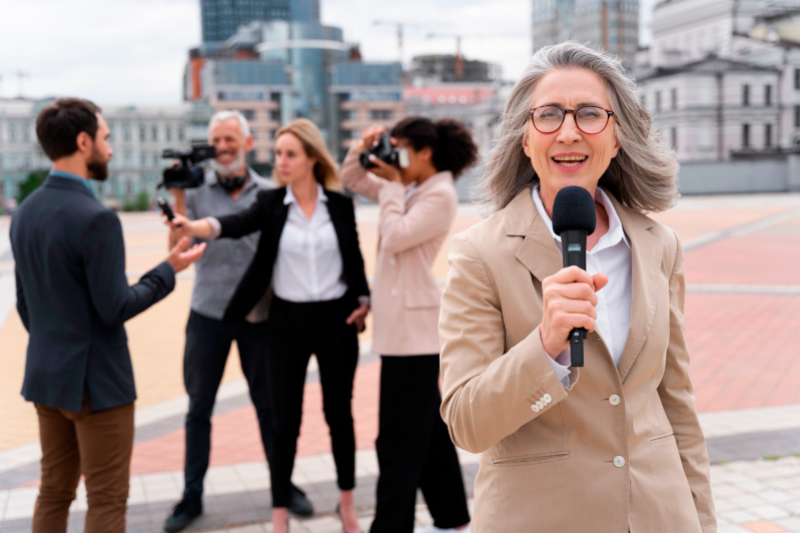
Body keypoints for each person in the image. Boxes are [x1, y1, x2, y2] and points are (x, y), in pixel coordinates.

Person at [438, 41, 716, 533]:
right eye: (548, 115)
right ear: (525, 138)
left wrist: (702, 521)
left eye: (590, 114)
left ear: (617, 136)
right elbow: (466, 422)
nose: (568, 132)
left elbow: (676, 403)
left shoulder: (659, 245)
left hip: (658, 516)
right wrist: (544, 346)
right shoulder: (479, 254)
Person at [10, 98, 205, 533]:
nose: (111, 149)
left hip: (47, 378)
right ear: (83, 142)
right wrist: (168, 269)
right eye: (106, 138)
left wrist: (59, 341)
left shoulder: (23, 213)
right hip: (98, 386)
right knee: (107, 501)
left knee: (54, 492)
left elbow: (26, 304)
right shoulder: (96, 219)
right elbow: (115, 307)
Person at [168, 118, 370, 533]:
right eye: (278, 154)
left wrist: (363, 300)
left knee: (316, 414)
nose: (282, 161)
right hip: (250, 318)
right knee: (246, 414)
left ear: (312, 158)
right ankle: (240, 506)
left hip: (306, 321)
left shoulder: (320, 201)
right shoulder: (248, 199)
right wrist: (187, 220)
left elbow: (355, 259)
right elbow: (222, 227)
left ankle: (330, 501)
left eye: (290, 154)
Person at [162, 111, 313, 532]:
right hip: (208, 313)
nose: (223, 148)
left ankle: (284, 486)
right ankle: (191, 495)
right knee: (199, 408)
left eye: (230, 139)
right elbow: (178, 246)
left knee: (270, 407)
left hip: (258, 317)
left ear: (247, 144)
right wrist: (177, 197)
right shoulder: (192, 193)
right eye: (216, 140)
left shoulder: (271, 191)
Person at [341, 117, 477, 533]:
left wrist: (393, 186)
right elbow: (351, 178)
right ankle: (453, 517)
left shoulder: (439, 194)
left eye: (401, 150)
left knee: (397, 441)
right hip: (401, 327)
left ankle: (390, 526)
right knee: (426, 432)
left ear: (425, 153)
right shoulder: (407, 186)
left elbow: (396, 234)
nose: (394, 158)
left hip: (415, 335)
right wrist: (361, 145)